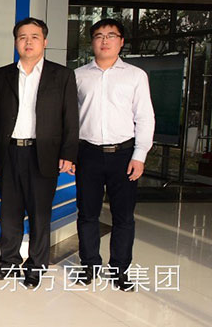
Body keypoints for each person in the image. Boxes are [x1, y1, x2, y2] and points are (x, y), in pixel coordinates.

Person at [0, 17, 78, 288]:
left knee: (40, 214)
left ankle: (36, 266)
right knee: (9, 214)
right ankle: (9, 262)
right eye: (22, 37)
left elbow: (71, 118)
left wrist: (68, 153)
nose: (28, 42)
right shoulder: (2, 75)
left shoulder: (62, 75)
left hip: (43, 153)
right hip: (9, 152)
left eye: (34, 37)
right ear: (16, 42)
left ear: (45, 42)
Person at [73, 19, 154, 290]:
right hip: (88, 153)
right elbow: (70, 119)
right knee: (87, 213)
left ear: (121, 41)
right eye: (99, 36)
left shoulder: (135, 76)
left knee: (123, 217)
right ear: (92, 42)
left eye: (111, 35)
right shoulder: (78, 76)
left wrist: (140, 155)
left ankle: (120, 270)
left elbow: (145, 117)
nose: (104, 41)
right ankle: (89, 265)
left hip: (124, 154)